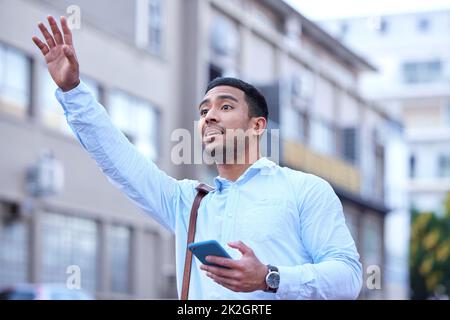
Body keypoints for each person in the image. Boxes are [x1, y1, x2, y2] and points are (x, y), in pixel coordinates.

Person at [32, 16, 363, 299]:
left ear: (257, 125)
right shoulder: (188, 202)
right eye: (204, 110)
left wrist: (270, 277)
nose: (210, 116)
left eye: (226, 106)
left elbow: (348, 276)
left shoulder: (304, 190)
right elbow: (119, 160)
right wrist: (73, 92)